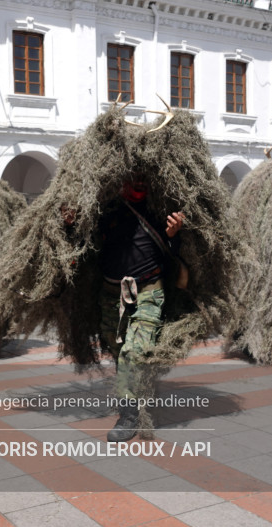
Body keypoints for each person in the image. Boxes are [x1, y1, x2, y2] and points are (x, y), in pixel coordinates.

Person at [96, 176, 184, 442]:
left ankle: (129, 415)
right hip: (112, 295)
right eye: (132, 178)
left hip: (149, 291)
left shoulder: (161, 210)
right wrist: (68, 225)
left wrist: (172, 235)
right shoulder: (104, 209)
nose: (139, 183)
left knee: (133, 352)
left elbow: (176, 254)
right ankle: (134, 390)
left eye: (144, 178)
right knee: (117, 349)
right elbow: (84, 246)